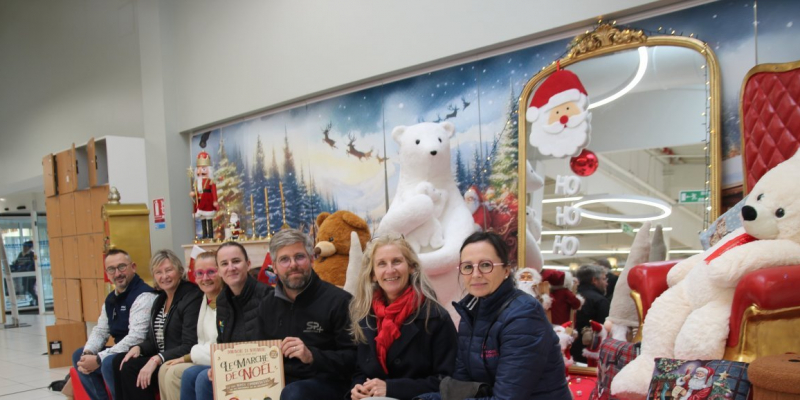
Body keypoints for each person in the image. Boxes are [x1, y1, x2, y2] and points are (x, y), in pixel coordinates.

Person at [448, 231, 571, 399]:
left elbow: (508, 397)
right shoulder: (470, 313)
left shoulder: (524, 314)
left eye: (485, 265)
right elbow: (460, 387)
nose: (475, 274)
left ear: (506, 270)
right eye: (468, 267)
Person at [348, 234, 457, 400]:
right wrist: (358, 388)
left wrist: (391, 388)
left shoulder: (435, 318)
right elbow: (361, 370)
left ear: (412, 267)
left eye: (397, 261)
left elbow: (448, 382)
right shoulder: (365, 316)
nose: (390, 270)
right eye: (382, 264)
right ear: (373, 274)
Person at [257, 228, 356, 400]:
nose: (293, 264)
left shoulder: (340, 301)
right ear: (274, 267)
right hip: (278, 382)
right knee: (205, 381)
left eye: (299, 257)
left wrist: (312, 356)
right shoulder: (266, 305)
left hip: (327, 383)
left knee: (293, 393)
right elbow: (256, 353)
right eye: (284, 260)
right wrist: (227, 372)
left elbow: (356, 358)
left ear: (311, 259)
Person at [113, 250, 203, 400]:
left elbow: (189, 344)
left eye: (169, 270)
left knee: (131, 368)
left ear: (179, 271)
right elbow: (153, 340)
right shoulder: (160, 300)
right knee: (120, 361)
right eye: (158, 272)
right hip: (162, 357)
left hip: (177, 359)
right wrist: (139, 347)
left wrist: (157, 358)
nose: (164, 276)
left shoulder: (191, 296)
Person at [188, 241, 272, 400]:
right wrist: (219, 366)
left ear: (247, 264)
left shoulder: (267, 296)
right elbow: (222, 343)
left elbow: (273, 343)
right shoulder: (222, 300)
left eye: (236, 261)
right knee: (196, 376)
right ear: (219, 271)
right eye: (224, 264)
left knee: (202, 380)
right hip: (234, 368)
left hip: (261, 370)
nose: (231, 268)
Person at [72, 249, 156, 400]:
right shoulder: (111, 299)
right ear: (107, 273)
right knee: (79, 355)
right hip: (120, 352)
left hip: (140, 353)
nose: (117, 274)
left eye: (122, 267)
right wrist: (89, 353)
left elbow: (136, 338)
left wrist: (99, 359)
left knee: (109, 362)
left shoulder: (144, 296)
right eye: (111, 269)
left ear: (133, 267)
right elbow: (101, 330)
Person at [156, 251, 222, 400]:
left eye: (211, 272)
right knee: (164, 369)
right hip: (204, 355)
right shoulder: (204, 298)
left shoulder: (226, 300)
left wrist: (187, 357)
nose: (205, 278)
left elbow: (220, 345)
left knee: (175, 373)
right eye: (199, 273)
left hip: (216, 358)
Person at [571, 264, 610, 363]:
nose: (607, 283)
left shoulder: (571, 297)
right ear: (594, 280)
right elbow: (605, 329)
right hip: (591, 354)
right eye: (604, 279)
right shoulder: (600, 301)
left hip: (568, 350)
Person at [11, 241, 37, 305]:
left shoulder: (32, 254)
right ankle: (33, 300)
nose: (24, 248)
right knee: (26, 287)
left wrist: (24, 266)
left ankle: (36, 300)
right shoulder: (21, 254)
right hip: (23, 274)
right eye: (24, 246)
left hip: (30, 275)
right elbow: (17, 262)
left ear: (29, 247)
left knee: (30, 288)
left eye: (26, 246)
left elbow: (31, 264)